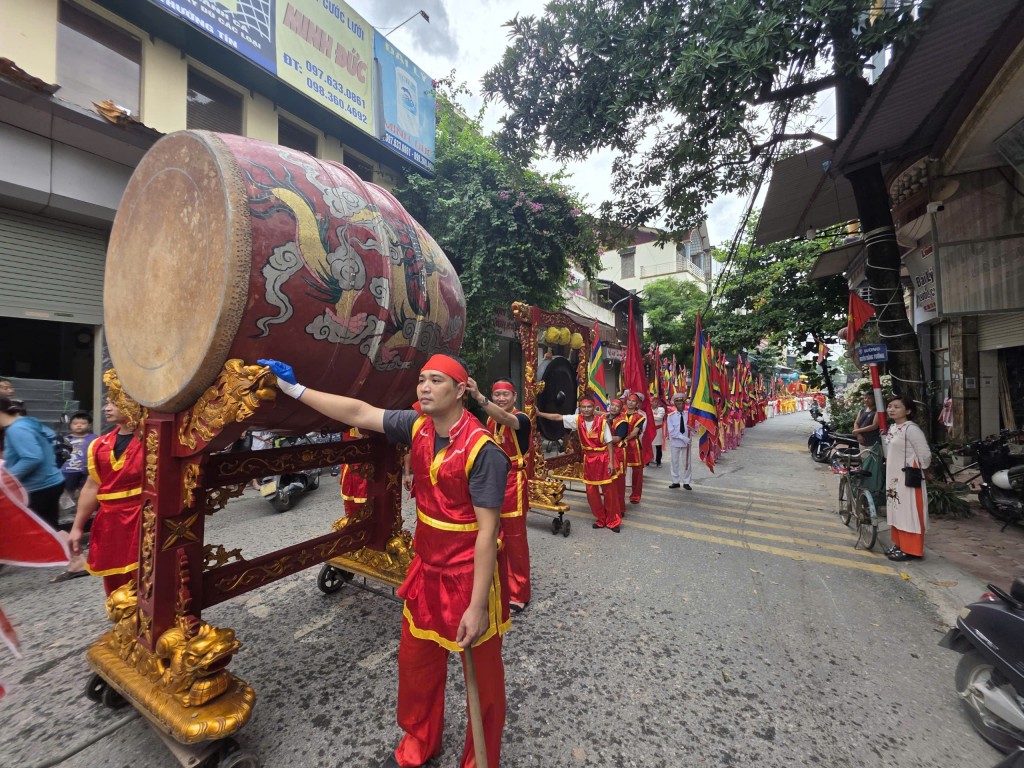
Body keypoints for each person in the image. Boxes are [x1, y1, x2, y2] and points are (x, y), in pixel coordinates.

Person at [257, 354, 510, 768]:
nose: (424, 387)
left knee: (482, 681)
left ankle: (479, 759)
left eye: (436, 380)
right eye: (422, 379)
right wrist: (294, 389)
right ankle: (418, 744)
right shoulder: (416, 426)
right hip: (425, 569)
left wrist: (478, 605)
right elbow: (359, 412)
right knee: (416, 665)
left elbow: (487, 533)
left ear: (460, 390)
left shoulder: (484, 451)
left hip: (470, 576)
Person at [68, 372, 146, 596]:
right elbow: (92, 486)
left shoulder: (152, 440)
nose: (107, 408)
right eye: (107, 402)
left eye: (114, 402)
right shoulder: (99, 445)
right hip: (110, 521)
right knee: (116, 585)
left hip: (142, 517)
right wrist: (77, 527)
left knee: (147, 579)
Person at [467, 377, 532, 614]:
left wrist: (478, 397)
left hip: (513, 484)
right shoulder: (490, 420)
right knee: (491, 534)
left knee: (515, 540)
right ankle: (497, 584)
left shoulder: (521, 419)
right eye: (497, 394)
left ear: (515, 397)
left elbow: (506, 418)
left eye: (506, 394)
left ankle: (519, 593)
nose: (501, 398)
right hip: (492, 480)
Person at [536, 397, 621, 531]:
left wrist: (611, 462)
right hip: (589, 460)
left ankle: (613, 520)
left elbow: (609, 443)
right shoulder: (577, 420)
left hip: (603, 459)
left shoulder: (602, 422)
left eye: (589, 407)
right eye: (583, 407)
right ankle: (601, 518)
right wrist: (540, 414)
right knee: (591, 492)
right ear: (580, 408)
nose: (586, 409)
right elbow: (558, 417)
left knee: (609, 492)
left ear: (594, 408)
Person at [0, 397, 65, 530]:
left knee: (40, 531)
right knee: (49, 528)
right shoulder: (26, 423)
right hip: (50, 483)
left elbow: (32, 458)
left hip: (39, 488)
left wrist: (6, 479)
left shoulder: (16, 429)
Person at [882, 395, 931, 562]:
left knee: (910, 513)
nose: (891, 409)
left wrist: (917, 467)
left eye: (897, 407)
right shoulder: (893, 427)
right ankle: (899, 544)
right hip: (893, 477)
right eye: (890, 406)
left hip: (908, 478)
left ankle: (912, 550)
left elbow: (925, 455)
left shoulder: (912, 429)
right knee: (896, 510)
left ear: (908, 411)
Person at [61, 411, 97, 497]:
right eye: (75, 423)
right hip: (69, 470)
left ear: (89, 425)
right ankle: (69, 504)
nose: (79, 425)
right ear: (70, 425)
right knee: (68, 491)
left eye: (83, 423)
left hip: (87, 470)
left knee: (85, 490)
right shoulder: (65, 439)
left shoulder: (94, 438)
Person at [622, 393, 647, 503]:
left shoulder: (640, 417)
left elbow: (634, 433)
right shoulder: (620, 414)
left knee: (637, 472)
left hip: (634, 446)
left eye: (633, 401)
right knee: (620, 471)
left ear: (637, 404)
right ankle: (619, 494)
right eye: (629, 400)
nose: (631, 403)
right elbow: (606, 415)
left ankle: (635, 496)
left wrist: (621, 438)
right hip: (621, 445)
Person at [666, 394, 693, 490]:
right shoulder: (671, 416)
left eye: (682, 403)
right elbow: (672, 432)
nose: (681, 405)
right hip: (675, 442)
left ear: (684, 404)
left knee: (687, 463)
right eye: (678, 403)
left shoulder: (688, 415)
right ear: (675, 405)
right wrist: (683, 438)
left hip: (687, 442)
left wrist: (692, 431)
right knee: (675, 462)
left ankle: (686, 482)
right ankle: (675, 481)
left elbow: (694, 427)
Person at [650, 397, 667, 467]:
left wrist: (650, 416)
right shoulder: (648, 409)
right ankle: (648, 460)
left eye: (656, 402)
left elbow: (659, 418)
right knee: (649, 446)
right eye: (653, 402)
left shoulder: (661, 409)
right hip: (649, 430)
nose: (655, 403)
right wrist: (653, 416)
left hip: (658, 430)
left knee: (658, 446)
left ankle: (658, 461)